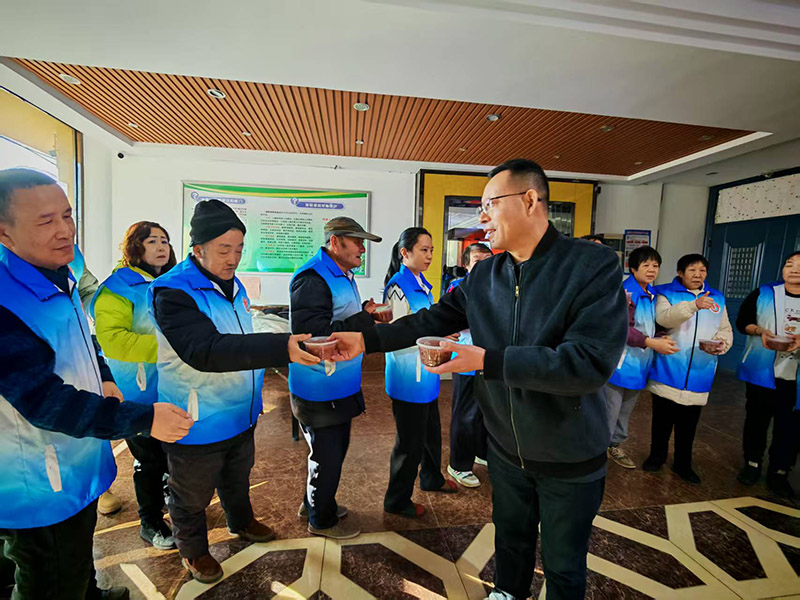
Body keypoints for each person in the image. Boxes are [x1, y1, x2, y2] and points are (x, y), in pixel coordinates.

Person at [331, 158, 628, 600]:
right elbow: (431, 319)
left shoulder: (591, 266)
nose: (481, 217)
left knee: (564, 564)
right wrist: (365, 340)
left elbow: (587, 363)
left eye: (490, 204)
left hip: (568, 454)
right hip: (505, 448)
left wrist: (487, 361)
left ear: (530, 200)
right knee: (510, 542)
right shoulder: (486, 274)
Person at [0, 168, 193, 600]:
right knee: (50, 576)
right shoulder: (5, 302)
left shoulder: (58, 274)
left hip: (74, 455)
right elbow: (44, 401)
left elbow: (82, 337)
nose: (65, 230)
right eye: (45, 221)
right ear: (4, 232)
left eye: (67, 216)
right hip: (36, 476)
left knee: (76, 553)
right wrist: (145, 418)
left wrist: (103, 376)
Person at [149, 199, 325, 584]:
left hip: (240, 410)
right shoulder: (173, 292)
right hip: (197, 417)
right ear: (198, 249)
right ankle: (193, 550)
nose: (233, 258)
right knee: (191, 493)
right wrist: (281, 347)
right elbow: (206, 350)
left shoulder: (233, 285)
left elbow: (241, 334)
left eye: (239, 249)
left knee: (237, 475)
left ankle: (241, 521)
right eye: (224, 249)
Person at [288, 216, 388, 540]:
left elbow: (339, 319)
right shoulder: (312, 279)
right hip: (319, 387)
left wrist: (364, 314)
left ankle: (314, 504)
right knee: (327, 456)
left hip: (338, 383)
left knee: (331, 452)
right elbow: (314, 336)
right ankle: (321, 520)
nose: (362, 249)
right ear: (335, 242)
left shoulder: (341, 274)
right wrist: (365, 319)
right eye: (357, 242)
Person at [91, 221, 177, 549]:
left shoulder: (172, 281)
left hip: (172, 386)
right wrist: (172, 348)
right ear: (134, 247)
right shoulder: (117, 288)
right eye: (152, 241)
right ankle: (150, 521)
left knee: (170, 451)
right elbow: (113, 340)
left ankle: (168, 497)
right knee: (149, 458)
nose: (161, 246)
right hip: (137, 390)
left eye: (164, 240)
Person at [383, 227, 457, 517]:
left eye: (431, 250)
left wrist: (442, 335)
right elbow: (399, 333)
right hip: (408, 377)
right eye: (423, 250)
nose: (429, 256)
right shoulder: (398, 286)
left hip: (426, 374)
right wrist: (439, 339)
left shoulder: (422, 283)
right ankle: (396, 499)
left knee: (430, 434)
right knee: (409, 444)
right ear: (405, 252)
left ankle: (431, 477)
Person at [643, 253, 733, 484]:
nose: (697, 275)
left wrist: (722, 343)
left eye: (702, 270)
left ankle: (683, 464)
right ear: (680, 273)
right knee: (662, 420)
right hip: (670, 366)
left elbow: (725, 328)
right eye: (692, 270)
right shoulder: (665, 292)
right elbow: (664, 319)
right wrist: (694, 305)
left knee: (689, 424)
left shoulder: (717, 298)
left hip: (700, 369)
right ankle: (656, 457)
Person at [604, 246, 677, 469]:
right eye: (646, 265)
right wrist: (650, 342)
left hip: (640, 364)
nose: (652, 269)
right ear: (633, 268)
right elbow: (620, 328)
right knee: (608, 411)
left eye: (655, 265)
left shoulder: (653, 295)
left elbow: (653, 325)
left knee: (624, 411)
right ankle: (595, 453)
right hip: (619, 364)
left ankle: (614, 446)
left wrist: (661, 337)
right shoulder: (625, 293)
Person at [735, 251, 800, 498]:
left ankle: (780, 472)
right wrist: (760, 331)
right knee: (756, 420)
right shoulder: (764, 293)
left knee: (790, 427)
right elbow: (743, 321)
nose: (794, 269)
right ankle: (752, 464)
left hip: (795, 378)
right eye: (789, 264)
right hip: (762, 370)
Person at [70, 246, 125, 517]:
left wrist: (101, 312)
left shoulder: (69, 252)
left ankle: (99, 488)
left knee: (87, 413)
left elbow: (87, 289)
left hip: (76, 344)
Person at [446, 242, 493, 487]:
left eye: (488, 260)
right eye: (477, 261)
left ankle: (481, 452)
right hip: (465, 360)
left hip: (488, 359)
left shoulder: (496, 286)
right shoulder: (458, 288)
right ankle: (459, 464)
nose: (484, 265)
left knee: (485, 410)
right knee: (465, 413)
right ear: (466, 265)